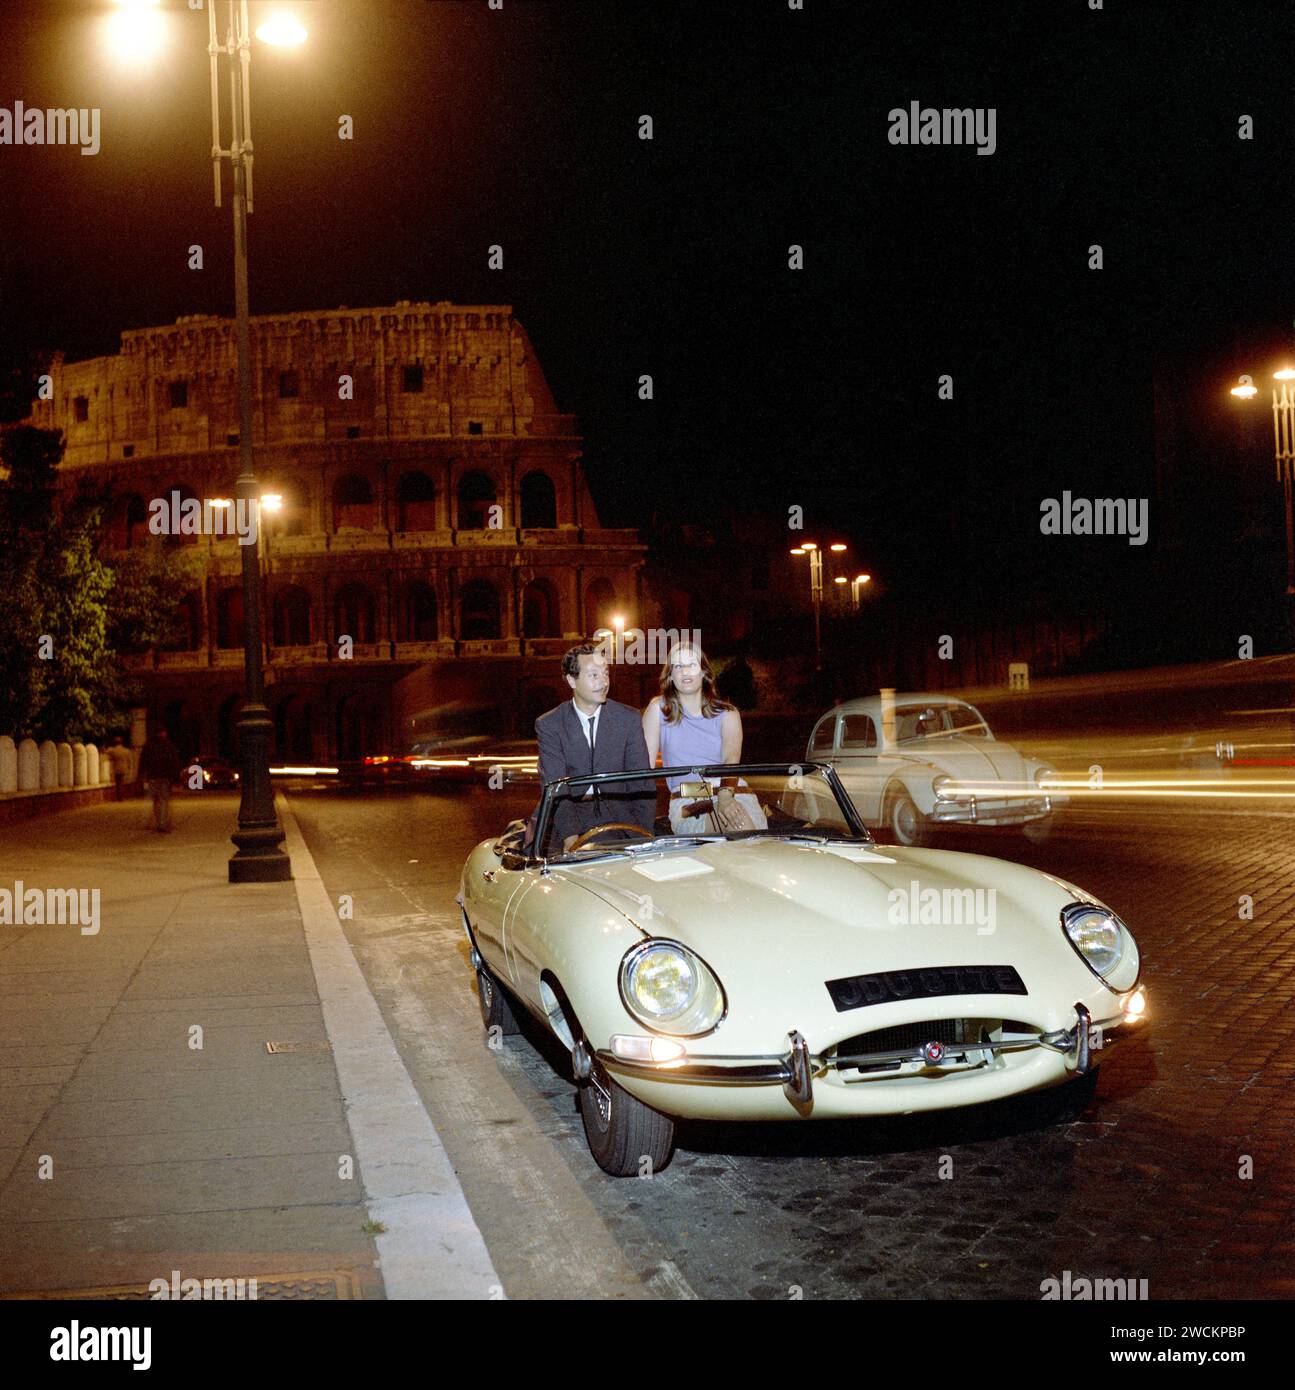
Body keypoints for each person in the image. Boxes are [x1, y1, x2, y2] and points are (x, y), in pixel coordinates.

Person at [532, 643, 655, 853]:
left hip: (622, 817)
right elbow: (556, 788)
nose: (603, 682)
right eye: (594, 675)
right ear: (572, 680)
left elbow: (642, 784)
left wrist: (643, 834)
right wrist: (570, 838)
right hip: (569, 820)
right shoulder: (550, 725)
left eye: (606, 674)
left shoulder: (629, 719)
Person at [642, 641, 766, 834]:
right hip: (689, 797)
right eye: (678, 666)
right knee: (740, 830)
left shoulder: (728, 713)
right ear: (670, 676)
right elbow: (645, 767)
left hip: (733, 792)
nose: (685, 671)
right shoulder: (658, 710)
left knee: (750, 834)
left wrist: (725, 797)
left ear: (703, 672)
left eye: (691, 664)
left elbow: (731, 758)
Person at [138, 729, 182, 833]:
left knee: (157, 801)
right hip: (163, 777)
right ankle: (163, 823)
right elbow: (174, 762)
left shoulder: (149, 746)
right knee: (164, 800)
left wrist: (141, 775)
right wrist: (176, 777)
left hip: (154, 777)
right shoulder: (169, 746)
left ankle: (160, 823)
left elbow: (143, 761)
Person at [103, 736, 133, 801]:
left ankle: (119, 797)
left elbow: (106, 754)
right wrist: (129, 769)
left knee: (118, 784)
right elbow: (130, 761)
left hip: (116, 769)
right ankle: (121, 797)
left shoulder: (113, 751)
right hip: (124, 769)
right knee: (122, 783)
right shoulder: (126, 751)